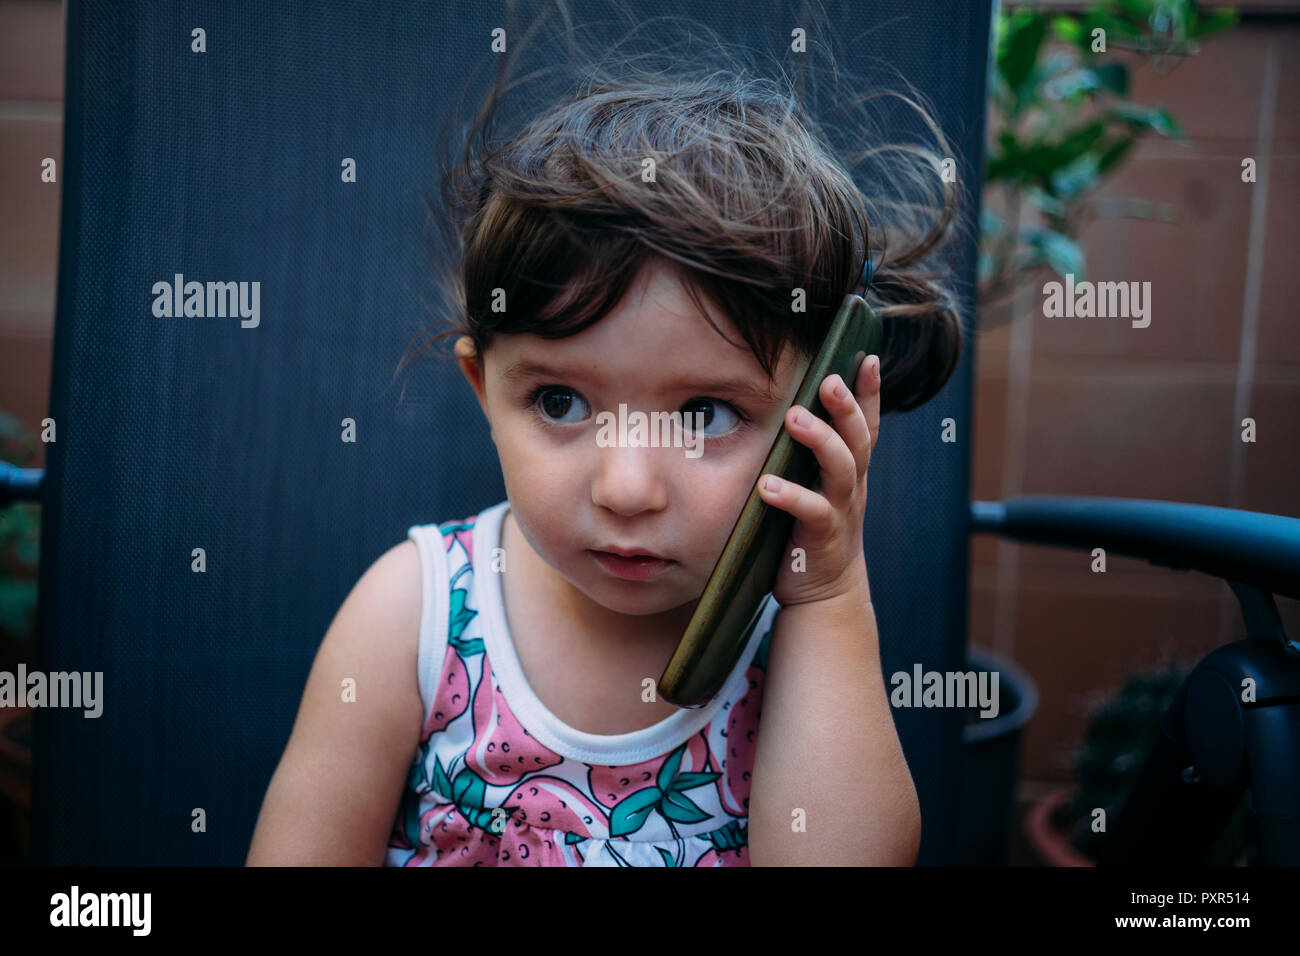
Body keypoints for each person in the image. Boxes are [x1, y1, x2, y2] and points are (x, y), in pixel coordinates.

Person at [248, 51, 965, 868]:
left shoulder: (792, 645)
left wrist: (828, 600)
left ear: (813, 415)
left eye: (705, 413)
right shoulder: (416, 615)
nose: (627, 489)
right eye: (560, 402)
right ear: (484, 391)